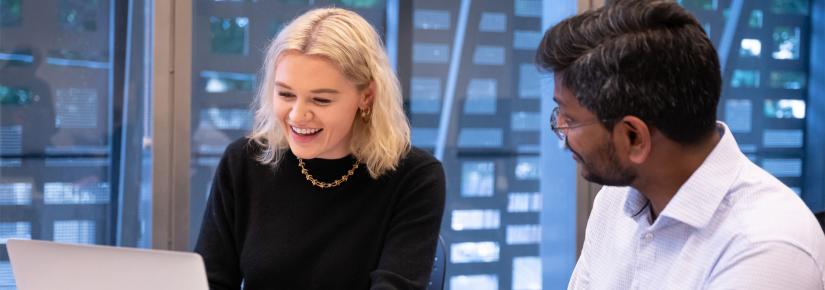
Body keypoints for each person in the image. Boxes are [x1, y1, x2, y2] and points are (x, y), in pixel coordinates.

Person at [535, 0, 825, 288]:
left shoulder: (765, 246)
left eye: (570, 120)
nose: (560, 130)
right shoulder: (615, 200)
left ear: (634, 137)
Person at [194, 8, 446, 290]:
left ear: (366, 96)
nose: (297, 116)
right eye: (286, 94)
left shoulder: (415, 177)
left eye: (321, 100)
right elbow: (209, 282)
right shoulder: (243, 162)